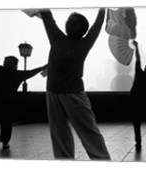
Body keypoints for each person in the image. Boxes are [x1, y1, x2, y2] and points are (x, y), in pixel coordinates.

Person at [38, 8, 110, 160]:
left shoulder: (85, 43)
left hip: (74, 94)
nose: (70, 25)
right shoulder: (56, 37)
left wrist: (103, 8)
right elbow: (47, 16)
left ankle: (102, 160)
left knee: (88, 130)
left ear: (82, 29)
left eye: (75, 24)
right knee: (59, 133)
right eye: (69, 22)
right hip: (52, 93)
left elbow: (97, 24)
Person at [0, 40, 47, 149]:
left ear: (4, 63)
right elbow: (33, 72)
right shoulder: (18, 74)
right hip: (7, 104)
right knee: (7, 122)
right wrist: (44, 67)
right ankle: (5, 142)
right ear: (16, 65)